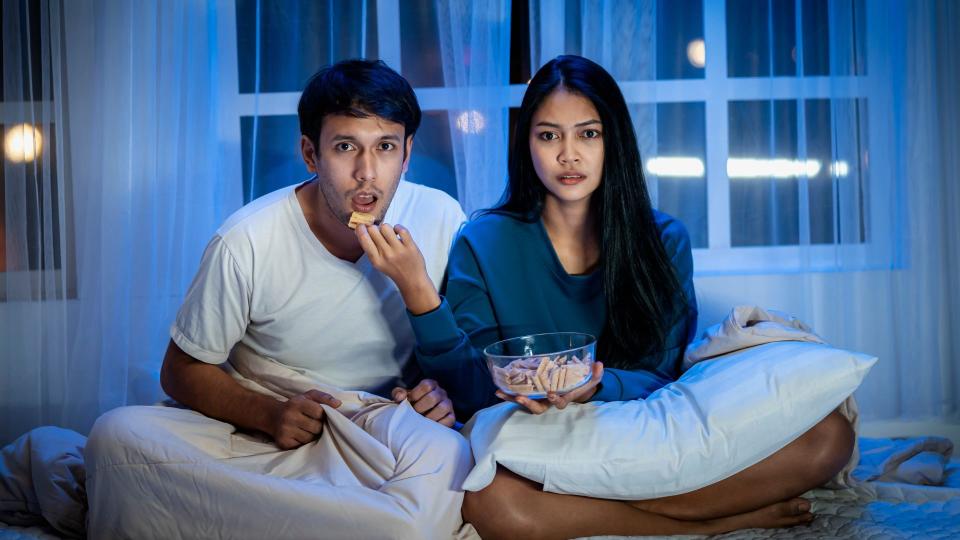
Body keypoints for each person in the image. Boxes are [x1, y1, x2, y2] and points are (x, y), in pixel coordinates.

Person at [359, 55, 854, 538]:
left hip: (644, 433)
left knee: (829, 438)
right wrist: (420, 295)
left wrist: (595, 385)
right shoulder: (483, 240)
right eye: (548, 135)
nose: (568, 154)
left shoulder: (664, 240)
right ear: (526, 145)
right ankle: (721, 518)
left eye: (588, 134)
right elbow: (469, 391)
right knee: (489, 500)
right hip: (544, 437)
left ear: (612, 141)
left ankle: (611, 510)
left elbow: (662, 374)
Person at [83, 59, 472, 539]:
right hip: (268, 428)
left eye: (386, 147)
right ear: (311, 153)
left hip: (380, 429)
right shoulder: (246, 240)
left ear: (408, 153)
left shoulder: (441, 217)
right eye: (345, 147)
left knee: (453, 457)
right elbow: (180, 370)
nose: (367, 174)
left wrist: (436, 392)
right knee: (115, 439)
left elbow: (462, 361)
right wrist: (269, 415)